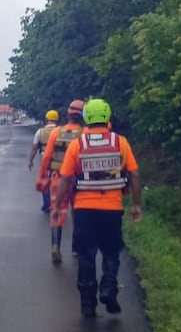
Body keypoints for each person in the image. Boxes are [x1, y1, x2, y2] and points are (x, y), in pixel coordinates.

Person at [52, 98, 143, 318]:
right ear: (107, 117)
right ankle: (109, 288)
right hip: (112, 209)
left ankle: (87, 304)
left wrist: (57, 205)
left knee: (86, 256)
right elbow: (134, 174)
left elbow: (65, 179)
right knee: (111, 252)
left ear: (86, 118)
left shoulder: (77, 145)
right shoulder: (120, 142)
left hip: (84, 210)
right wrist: (136, 205)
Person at [36, 100, 85, 263]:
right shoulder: (84, 134)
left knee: (57, 210)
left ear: (68, 115)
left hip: (58, 177)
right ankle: (77, 249)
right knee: (78, 213)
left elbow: (47, 156)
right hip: (79, 180)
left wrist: (42, 176)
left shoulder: (57, 132)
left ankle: (55, 246)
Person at [29, 110, 59, 212]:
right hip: (59, 160)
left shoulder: (40, 132)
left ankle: (47, 204)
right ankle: (58, 203)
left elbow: (34, 148)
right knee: (59, 181)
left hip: (44, 160)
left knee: (45, 181)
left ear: (46, 119)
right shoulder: (61, 131)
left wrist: (31, 160)